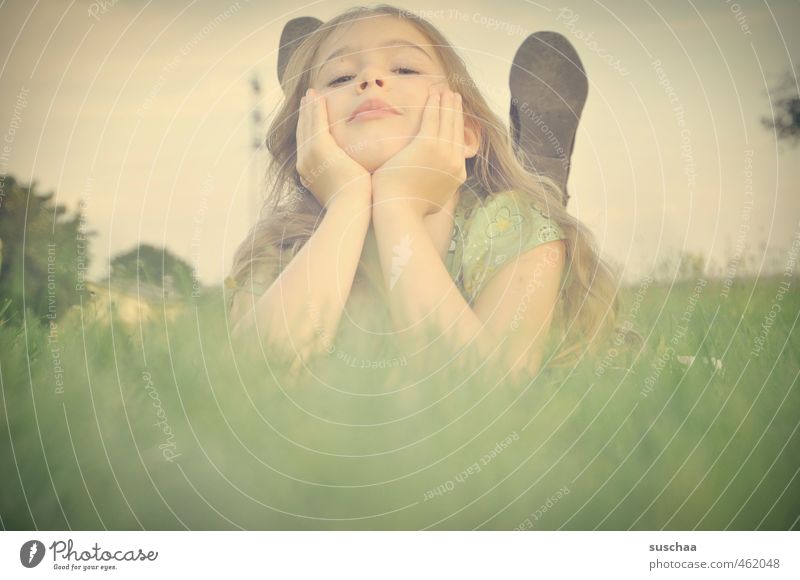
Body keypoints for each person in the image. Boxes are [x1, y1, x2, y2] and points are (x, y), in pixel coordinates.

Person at [226, 4, 619, 379]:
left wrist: (397, 206)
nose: (371, 80)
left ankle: (539, 179)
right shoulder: (280, 246)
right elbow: (254, 382)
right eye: (341, 78)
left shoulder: (515, 229)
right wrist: (347, 201)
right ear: (306, 136)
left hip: (499, 215)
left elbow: (484, 398)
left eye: (405, 68)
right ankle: (535, 172)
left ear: (465, 134)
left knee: (539, 205)